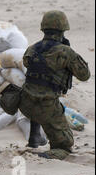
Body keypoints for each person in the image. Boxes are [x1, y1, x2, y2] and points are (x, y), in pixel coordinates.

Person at [19, 10, 90, 160]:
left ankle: (34, 137)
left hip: (25, 104)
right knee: (65, 144)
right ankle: (47, 155)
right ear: (63, 30)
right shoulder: (65, 51)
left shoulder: (31, 49)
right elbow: (85, 75)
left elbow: (27, 64)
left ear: (43, 28)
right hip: (46, 106)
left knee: (37, 92)